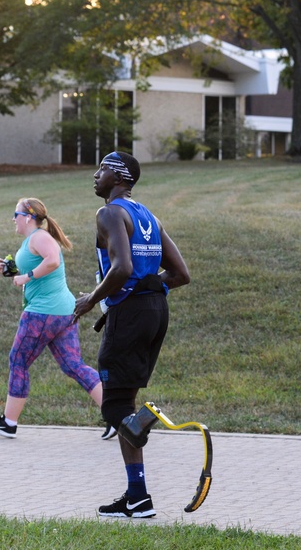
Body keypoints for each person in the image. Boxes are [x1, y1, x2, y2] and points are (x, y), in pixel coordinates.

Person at [73, 151, 190, 518]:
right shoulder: (149, 216)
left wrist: (91, 300)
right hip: (156, 311)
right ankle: (138, 497)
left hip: (131, 315)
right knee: (123, 400)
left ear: (120, 177)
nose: (96, 175)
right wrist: (146, 293)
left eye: (103, 168)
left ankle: (145, 420)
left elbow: (122, 267)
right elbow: (180, 274)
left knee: (113, 406)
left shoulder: (109, 213)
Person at [0, 197, 113, 440]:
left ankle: (8, 423)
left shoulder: (39, 236)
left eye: (16, 214)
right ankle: (117, 417)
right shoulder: (33, 240)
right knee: (73, 365)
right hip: (62, 311)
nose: (13, 219)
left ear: (28, 217)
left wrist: (27, 276)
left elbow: (51, 261)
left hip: (44, 312)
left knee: (18, 360)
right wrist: (12, 271)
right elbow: (43, 267)